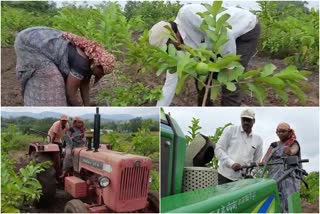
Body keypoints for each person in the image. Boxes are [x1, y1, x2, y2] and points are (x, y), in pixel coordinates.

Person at [149, 4, 260, 106]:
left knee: (230, 81)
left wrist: (229, 65)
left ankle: (230, 110)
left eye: (168, 46)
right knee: (201, 81)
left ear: (173, 35)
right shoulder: (179, 50)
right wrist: (159, 109)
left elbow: (224, 34)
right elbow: (170, 84)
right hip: (218, 42)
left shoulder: (187, 14)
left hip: (245, 30)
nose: (170, 51)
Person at [14, 26, 115, 106]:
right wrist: (79, 108)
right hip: (30, 43)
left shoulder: (90, 62)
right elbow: (71, 94)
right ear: (96, 65)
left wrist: (86, 105)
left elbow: (84, 85)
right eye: (102, 72)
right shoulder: (82, 64)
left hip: (39, 37)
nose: (101, 75)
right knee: (53, 80)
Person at [260, 122, 301, 213]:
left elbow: (294, 150)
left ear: (289, 132)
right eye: (278, 131)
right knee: (273, 196)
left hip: (288, 174)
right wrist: (262, 162)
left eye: (283, 131)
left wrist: (289, 151)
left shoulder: (293, 143)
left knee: (288, 199)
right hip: (274, 174)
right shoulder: (274, 144)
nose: (280, 133)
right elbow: (266, 158)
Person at [215, 109, 263, 184]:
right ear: (241, 119)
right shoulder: (230, 130)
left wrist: (251, 174)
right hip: (224, 176)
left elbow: (257, 160)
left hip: (242, 180)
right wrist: (231, 163)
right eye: (244, 120)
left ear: (253, 121)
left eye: (248, 120)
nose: (246, 122)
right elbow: (218, 149)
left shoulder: (258, 139)